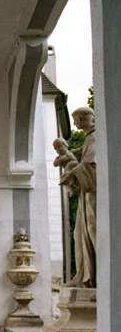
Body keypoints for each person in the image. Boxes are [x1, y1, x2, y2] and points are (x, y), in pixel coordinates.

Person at [59, 107, 97, 288]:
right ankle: (83, 275)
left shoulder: (96, 137)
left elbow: (90, 165)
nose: (74, 124)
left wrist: (71, 173)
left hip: (93, 196)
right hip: (87, 195)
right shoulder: (91, 137)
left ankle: (94, 275)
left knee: (91, 231)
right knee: (80, 233)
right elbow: (85, 154)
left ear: (84, 118)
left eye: (76, 120)